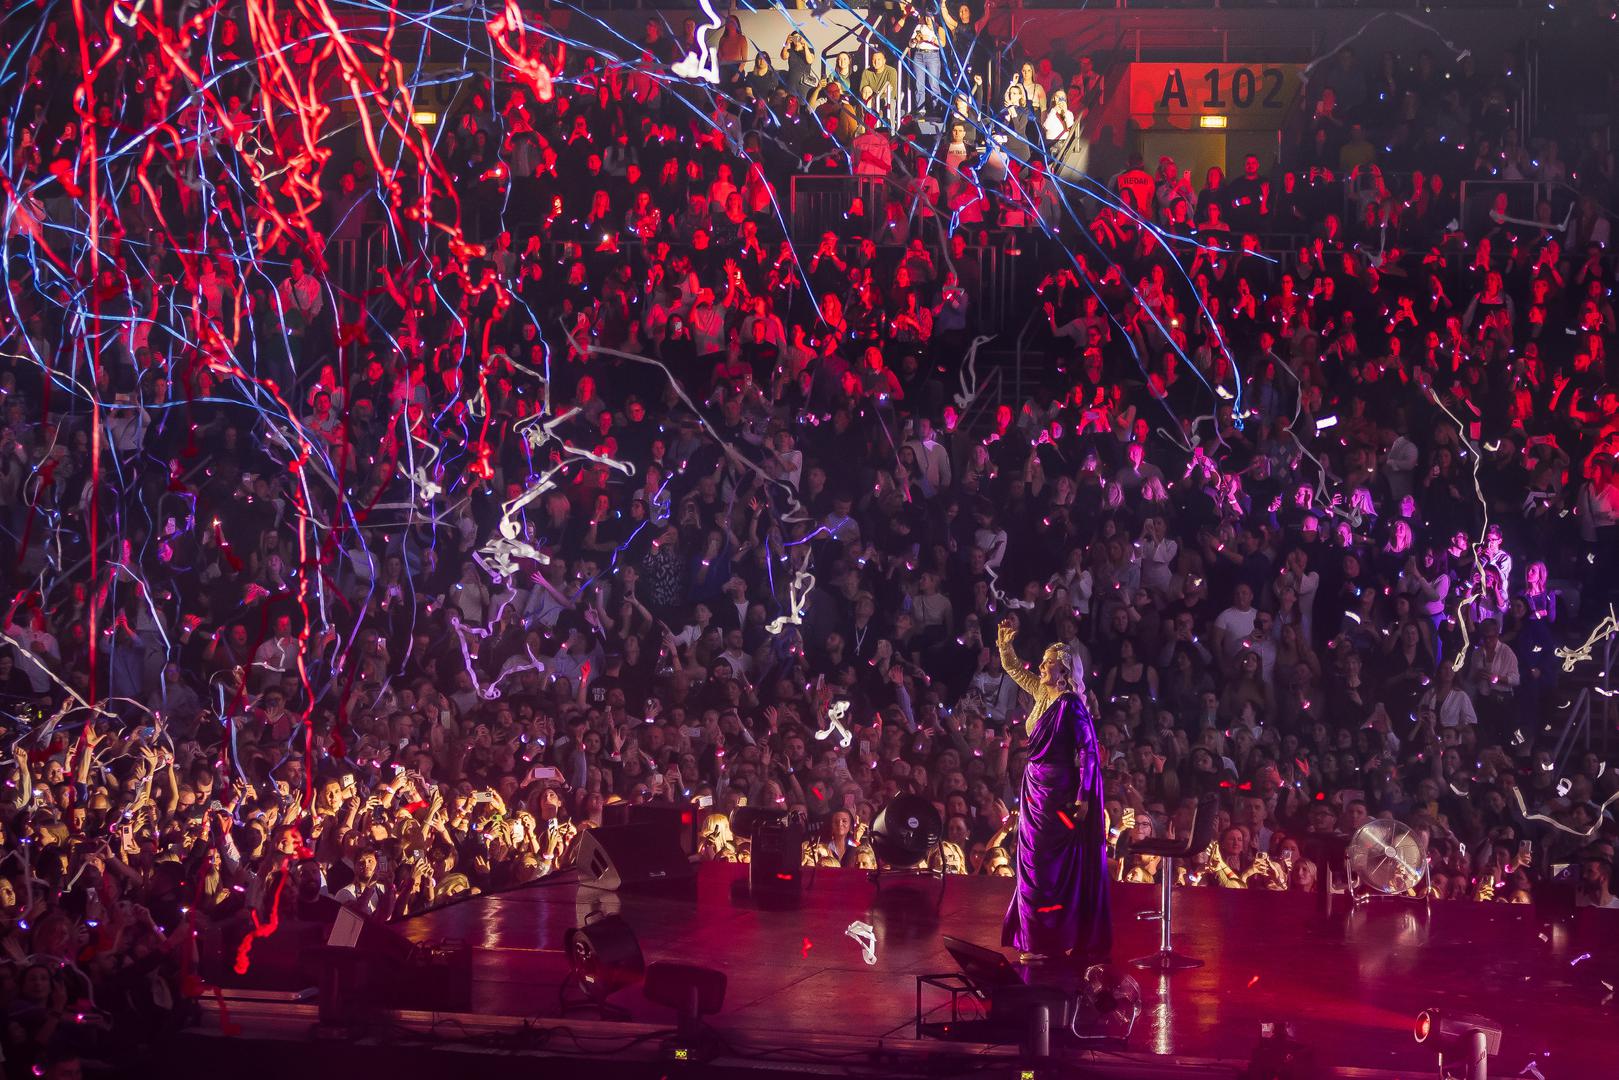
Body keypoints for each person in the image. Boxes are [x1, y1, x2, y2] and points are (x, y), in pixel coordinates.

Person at [997, 619, 1111, 964]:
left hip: (1057, 790)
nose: (1043, 666)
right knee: (1029, 861)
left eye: (1049, 662)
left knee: (1049, 866)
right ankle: (1034, 938)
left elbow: (1090, 751)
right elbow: (1014, 669)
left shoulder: (1071, 704)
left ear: (1063, 671)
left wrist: (1083, 797)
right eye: (1044, 661)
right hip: (1033, 785)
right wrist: (1005, 645)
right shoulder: (1042, 692)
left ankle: (1052, 938)